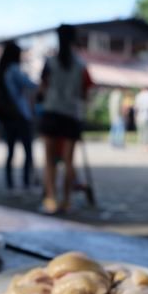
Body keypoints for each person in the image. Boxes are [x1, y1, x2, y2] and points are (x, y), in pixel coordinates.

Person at [39, 24, 93, 214]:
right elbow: (86, 94)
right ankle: (67, 200)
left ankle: (50, 199)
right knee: (69, 160)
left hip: (52, 112)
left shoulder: (50, 63)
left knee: (49, 160)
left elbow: (42, 89)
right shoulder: (81, 66)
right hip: (71, 115)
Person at [0, 41, 37, 193]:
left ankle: (10, 184)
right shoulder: (13, 69)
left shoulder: (0, 71)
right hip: (20, 114)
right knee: (27, 151)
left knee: (10, 151)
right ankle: (27, 183)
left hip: (7, 116)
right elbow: (31, 84)